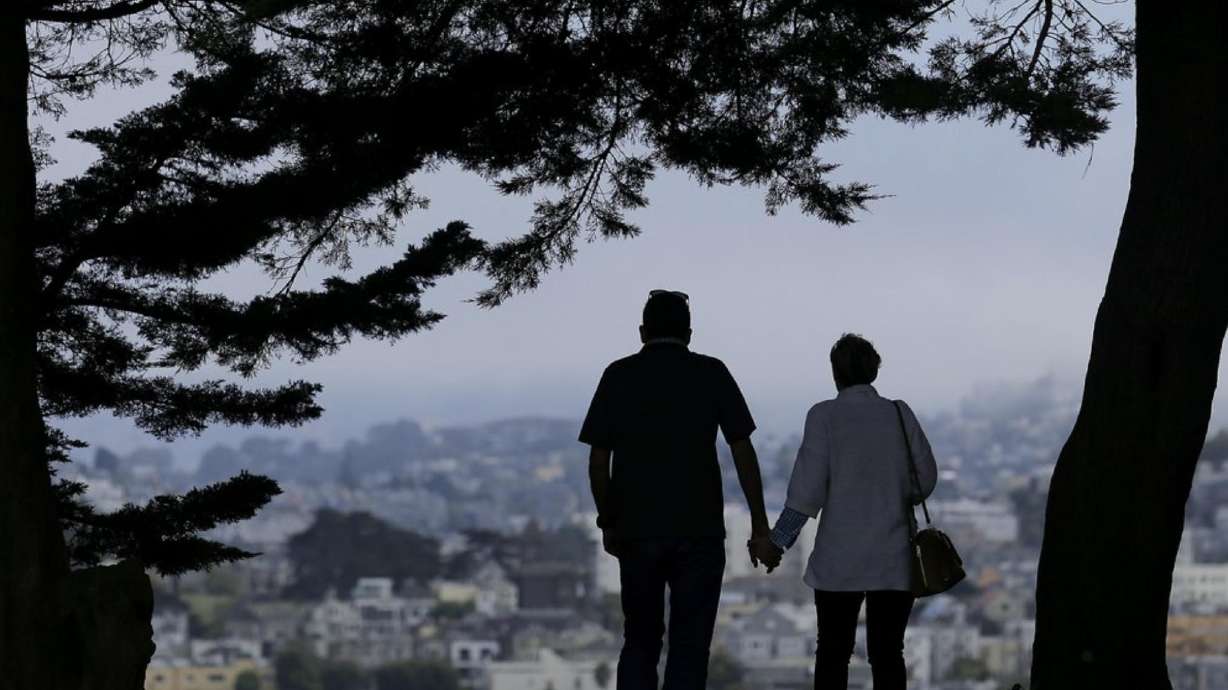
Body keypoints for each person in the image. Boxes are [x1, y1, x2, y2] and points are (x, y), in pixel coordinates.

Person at [579, 289, 773, 690]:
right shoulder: (711, 372)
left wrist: (608, 520)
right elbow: (742, 448)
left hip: (636, 528)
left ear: (642, 331)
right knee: (690, 647)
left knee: (640, 641)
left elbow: (599, 460)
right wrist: (758, 523)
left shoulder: (618, 375)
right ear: (689, 332)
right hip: (698, 528)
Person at [749, 333, 938, 690]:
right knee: (887, 653)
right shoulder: (899, 413)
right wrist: (894, 495)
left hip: (839, 558)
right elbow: (925, 479)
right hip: (893, 555)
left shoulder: (824, 416)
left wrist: (776, 543)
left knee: (833, 653)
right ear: (874, 370)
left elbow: (805, 493)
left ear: (835, 373)